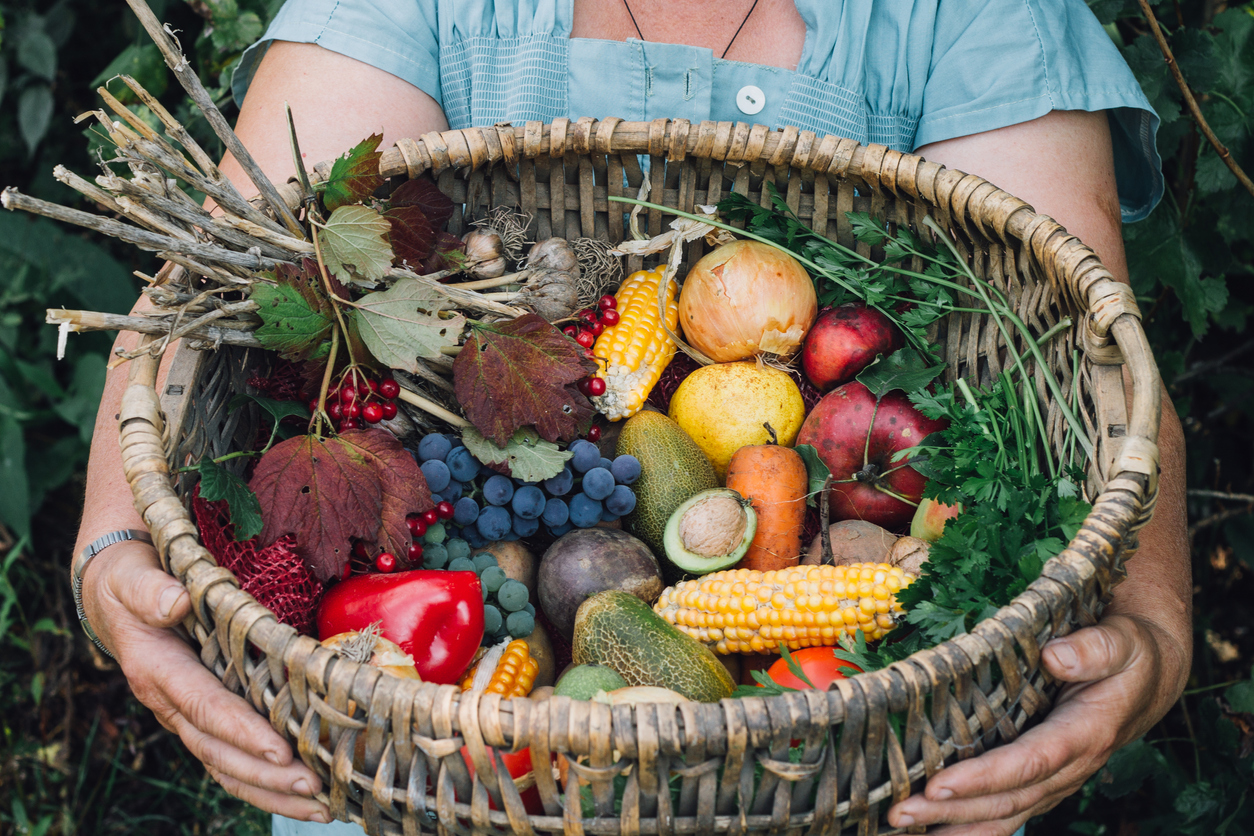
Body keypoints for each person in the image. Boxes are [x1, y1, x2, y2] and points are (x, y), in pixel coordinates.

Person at [74, 1, 1191, 834]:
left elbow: (1081, 353)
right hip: (430, 786)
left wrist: (1150, 628)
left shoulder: (972, 16)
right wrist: (116, 545)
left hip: (853, 791)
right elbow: (207, 310)